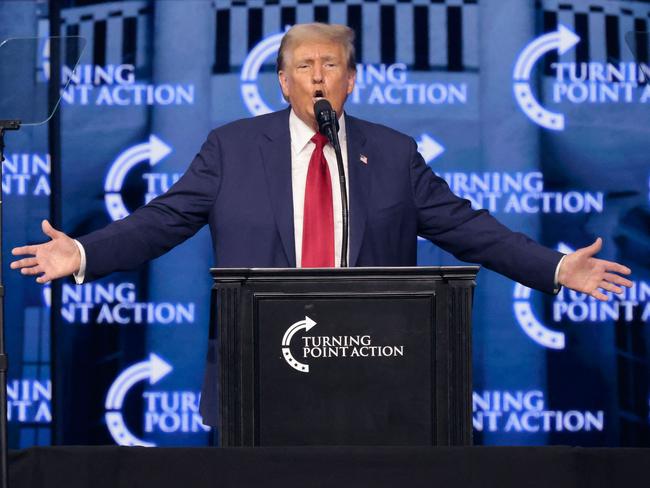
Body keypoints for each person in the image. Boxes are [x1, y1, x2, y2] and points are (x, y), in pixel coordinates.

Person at [11, 23, 631, 300]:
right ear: (282, 82)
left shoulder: (391, 152)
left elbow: (469, 229)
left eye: (329, 65)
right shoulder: (231, 148)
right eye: (302, 66)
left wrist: (554, 268)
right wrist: (85, 253)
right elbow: (162, 220)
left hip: (377, 364)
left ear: (351, 80)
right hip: (255, 366)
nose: (316, 76)